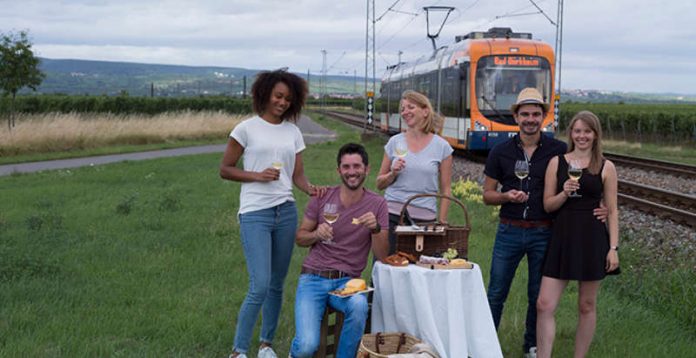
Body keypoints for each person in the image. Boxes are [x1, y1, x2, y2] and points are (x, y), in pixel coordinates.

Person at [483, 88, 608, 358]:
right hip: (509, 231)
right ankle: (487, 345)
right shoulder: (499, 151)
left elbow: (583, 184)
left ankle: (531, 345)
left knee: (537, 296)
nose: (530, 119)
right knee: (495, 292)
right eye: (525, 114)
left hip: (544, 232)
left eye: (536, 114)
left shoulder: (558, 150)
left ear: (543, 117)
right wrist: (505, 195)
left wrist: (602, 207)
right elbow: (486, 195)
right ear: (516, 116)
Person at [220, 69, 324, 358]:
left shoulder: (293, 131)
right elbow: (225, 169)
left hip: (286, 213)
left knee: (277, 285)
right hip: (255, 213)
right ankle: (239, 351)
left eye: (288, 99)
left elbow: (298, 176)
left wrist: (312, 190)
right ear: (264, 94)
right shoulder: (245, 128)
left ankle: (266, 344)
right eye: (278, 96)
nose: (282, 102)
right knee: (260, 285)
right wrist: (257, 175)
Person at [290, 143, 389, 358]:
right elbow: (300, 237)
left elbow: (382, 256)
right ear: (338, 170)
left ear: (366, 169)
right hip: (313, 278)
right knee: (307, 346)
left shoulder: (378, 204)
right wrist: (316, 234)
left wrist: (376, 228)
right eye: (346, 167)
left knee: (359, 305)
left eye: (356, 166)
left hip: (347, 282)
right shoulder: (322, 197)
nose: (351, 172)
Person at [536, 111, 620, 358]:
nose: (582, 136)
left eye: (587, 131)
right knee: (544, 304)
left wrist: (613, 248)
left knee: (586, 305)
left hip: (592, 239)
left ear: (595, 135)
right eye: (577, 131)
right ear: (571, 133)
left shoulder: (606, 167)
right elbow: (548, 206)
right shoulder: (557, 162)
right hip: (562, 237)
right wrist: (563, 193)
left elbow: (613, 210)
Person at [376, 90, 453, 255]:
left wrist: (442, 221)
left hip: (425, 220)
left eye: (410, 107)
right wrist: (392, 174)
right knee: (385, 269)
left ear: (425, 111)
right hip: (391, 216)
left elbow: (446, 189)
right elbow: (379, 184)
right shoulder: (394, 142)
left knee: (420, 273)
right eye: (402, 109)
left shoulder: (442, 147)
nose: (405, 112)